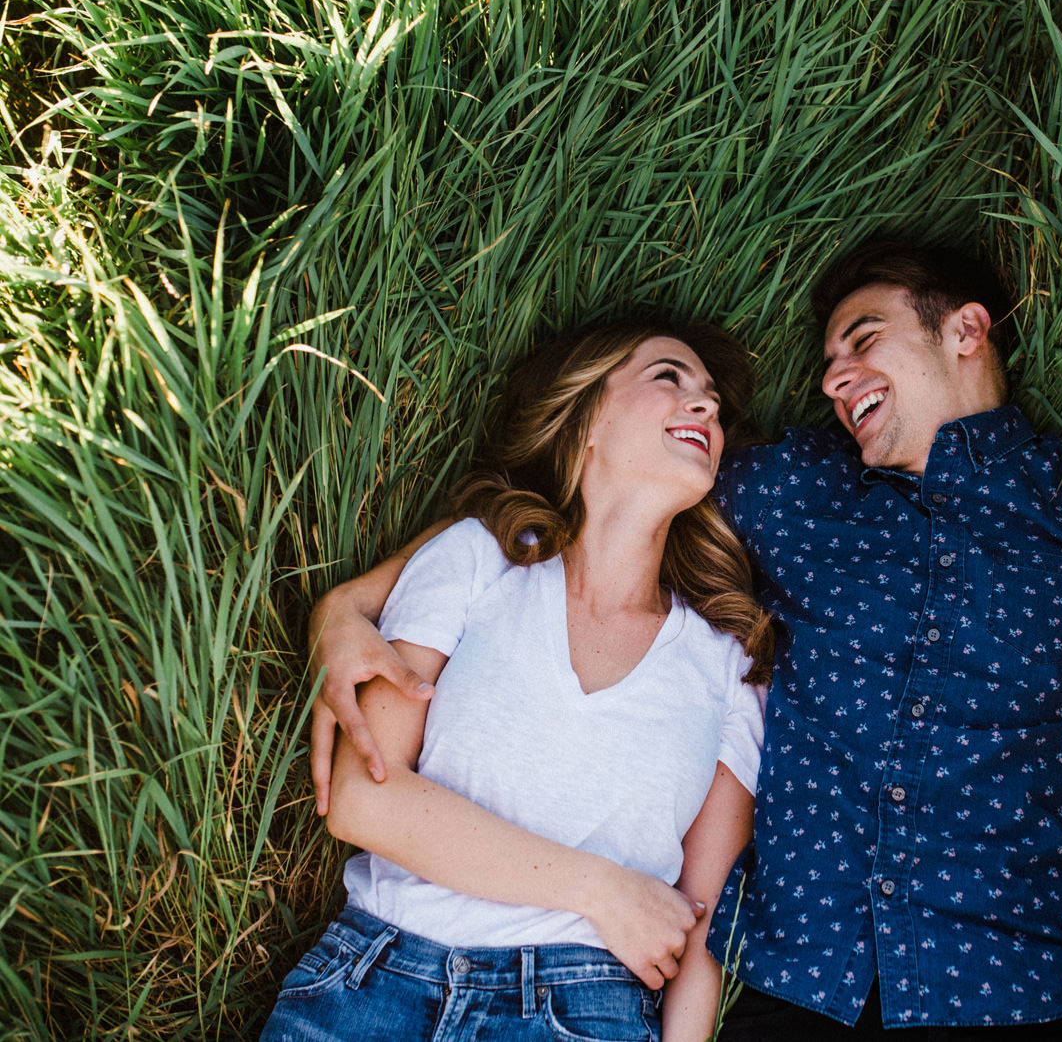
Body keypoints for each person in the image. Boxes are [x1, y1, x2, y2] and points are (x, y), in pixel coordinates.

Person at [306, 240, 1062, 1040]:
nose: (835, 378)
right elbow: (589, 507)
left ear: (966, 330)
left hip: (1035, 990)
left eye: (863, 339)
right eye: (828, 361)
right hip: (811, 998)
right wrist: (347, 608)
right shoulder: (794, 491)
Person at [264, 319, 774, 1042]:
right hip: (375, 981)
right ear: (587, 416)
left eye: (714, 402)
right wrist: (598, 889)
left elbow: (701, 917)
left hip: (581, 1010)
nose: (706, 408)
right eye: (670, 378)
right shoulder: (477, 558)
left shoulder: (728, 658)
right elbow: (361, 799)